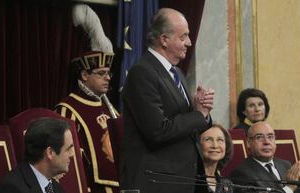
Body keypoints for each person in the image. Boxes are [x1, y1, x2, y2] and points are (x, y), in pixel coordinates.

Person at [120, 8, 215, 193]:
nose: (189, 42)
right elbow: (157, 131)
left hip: (180, 179)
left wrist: (200, 109)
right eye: (183, 37)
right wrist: (197, 115)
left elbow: (185, 127)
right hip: (156, 182)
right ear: (164, 40)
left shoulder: (176, 72)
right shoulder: (142, 72)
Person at [55, 51, 120, 193]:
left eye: (109, 73)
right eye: (101, 73)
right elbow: (68, 160)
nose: (108, 78)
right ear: (85, 75)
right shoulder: (67, 110)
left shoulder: (112, 110)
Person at [230, 122, 300, 193]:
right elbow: (290, 189)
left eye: (270, 137)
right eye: (259, 137)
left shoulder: (285, 165)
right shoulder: (241, 173)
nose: (267, 142)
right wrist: (290, 187)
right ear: (248, 143)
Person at [0, 117, 74, 193]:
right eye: (68, 149)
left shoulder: (57, 189)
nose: (72, 154)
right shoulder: (12, 188)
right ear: (50, 153)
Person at [195, 123, 234, 193]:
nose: (215, 146)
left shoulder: (226, 184)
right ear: (197, 145)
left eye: (220, 140)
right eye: (208, 139)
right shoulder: (190, 180)